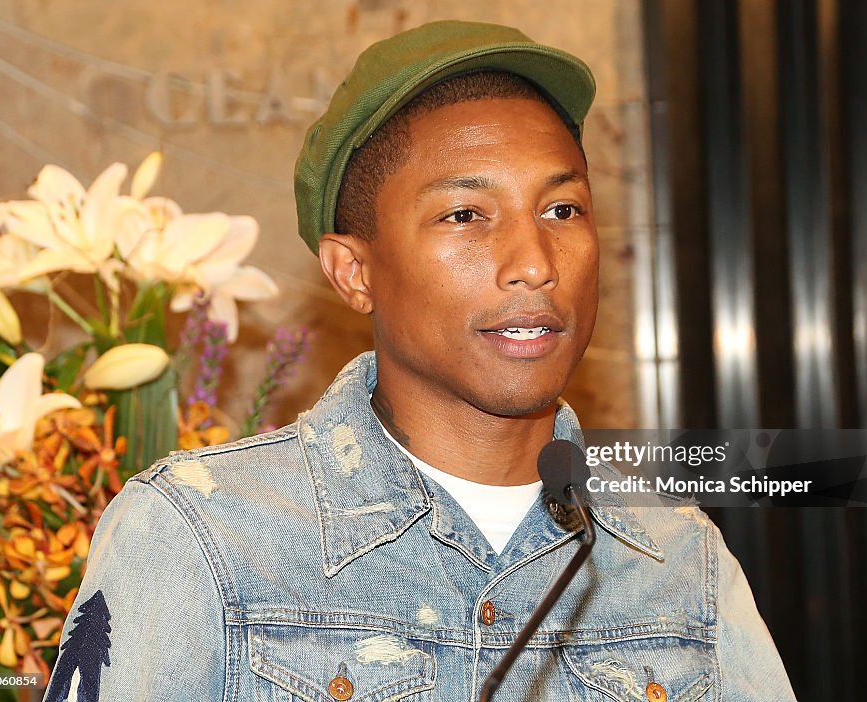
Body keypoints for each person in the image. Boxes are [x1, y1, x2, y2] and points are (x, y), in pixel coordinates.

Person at [43, 20, 796, 702]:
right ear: (354, 273)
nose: (534, 262)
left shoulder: (675, 554)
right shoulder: (203, 537)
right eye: (465, 215)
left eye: (562, 210)